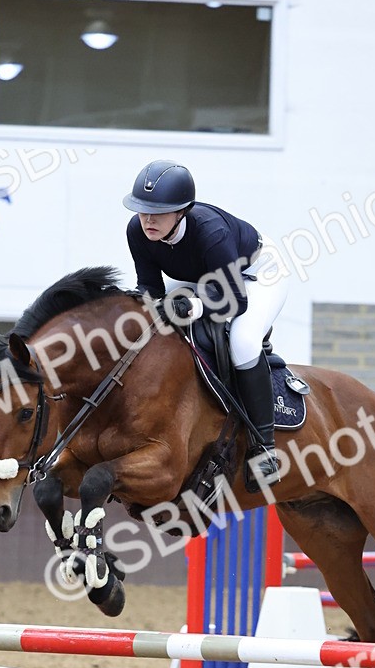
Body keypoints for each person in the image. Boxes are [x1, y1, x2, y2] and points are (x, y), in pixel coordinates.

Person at [123, 160, 288, 483]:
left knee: (243, 342)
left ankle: (265, 449)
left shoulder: (211, 232)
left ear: (181, 212)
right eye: (143, 210)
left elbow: (235, 299)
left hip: (255, 276)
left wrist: (195, 307)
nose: (148, 219)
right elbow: (151, 289)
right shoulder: (137, 231)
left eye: (158, 212)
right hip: (203, 277)